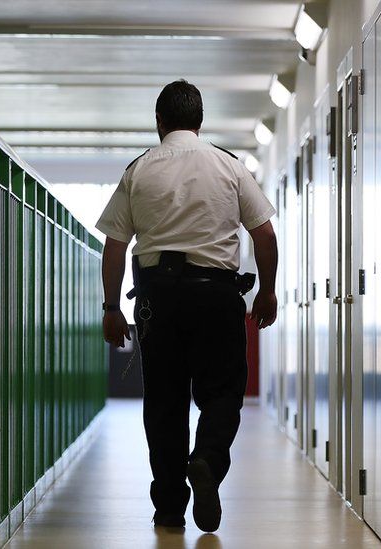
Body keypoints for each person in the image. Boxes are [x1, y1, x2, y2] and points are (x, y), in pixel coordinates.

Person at [95, 79, 279, 533]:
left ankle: (170, 508)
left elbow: (115, 244)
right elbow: (264, 234)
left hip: (157, 299)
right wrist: (267, 291)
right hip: (216, 294)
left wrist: (111, 307)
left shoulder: (138, 169)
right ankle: (208, 461)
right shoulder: (229, 166)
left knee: (164, 402)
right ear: (199, 121)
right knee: (222, 392)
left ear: (159, 122)